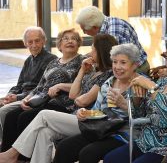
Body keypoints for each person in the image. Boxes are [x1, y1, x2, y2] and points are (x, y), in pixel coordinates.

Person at [0, 43, 142, 163]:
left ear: (135, 65)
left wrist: (123, 104)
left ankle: (13, 153)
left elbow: (144, 116)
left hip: (118, 132)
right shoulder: (109, 82)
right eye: (115, 62)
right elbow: (94, 107)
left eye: (123, 62)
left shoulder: (140, 84)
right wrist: (84, 112)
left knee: (43, 115)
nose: (117, 66)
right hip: (97, 125)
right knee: (44, 131)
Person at [1, 28, 84, 153]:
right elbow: (40, 86)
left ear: (78, 43)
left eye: (74, 39)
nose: (70, 41)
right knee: (11, 116)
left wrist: (61, 85)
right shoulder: (54, 62)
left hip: (62, 103)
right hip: (42, 100)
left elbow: (84, 85)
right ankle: (6, 154)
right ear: (59, 44)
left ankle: (22, 156)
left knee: (24, 117)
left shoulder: (82, 62)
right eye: (66, 39)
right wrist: (26, 99)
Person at [0, 26, 56, 143]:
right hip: (22, 96)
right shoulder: (28, 60)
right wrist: (10, 95)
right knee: (1, 103)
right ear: (25, 43)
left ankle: (7, 146)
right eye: (30, 42)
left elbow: (41, 89)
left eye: (37, 41)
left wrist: (18, 97)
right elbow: (19, 84)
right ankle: (6, 144)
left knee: (3, 111)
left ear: (44, 41)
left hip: (33, 98)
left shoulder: (51, 60)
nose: (34, 45)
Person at [75, 6, 149, 74]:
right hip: (123, 67)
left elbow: (108, 58)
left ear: (95, 27)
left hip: (137, 69)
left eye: (84, 29)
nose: (84, 32)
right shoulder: (105, 26)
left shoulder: (114, 30)